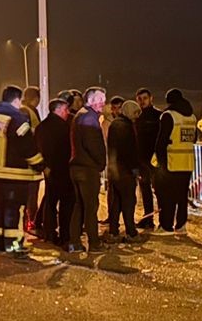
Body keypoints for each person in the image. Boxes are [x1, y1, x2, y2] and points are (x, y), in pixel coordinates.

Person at [0, 86, 44, 254]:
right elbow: (26, 145)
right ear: (16, 100)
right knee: (14, 210)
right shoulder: (17, 117)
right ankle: (13, 244)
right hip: (14, 174)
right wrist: (39, 164)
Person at [67, 87, 108, 253]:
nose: (103, 102)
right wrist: (101, 163)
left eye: (104, 99)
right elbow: (93, 144)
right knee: (91, 206)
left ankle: (74, 242)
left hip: (77, 167)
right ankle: (94, 243)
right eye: (99, 99)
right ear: (90, 100)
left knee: (80, 205)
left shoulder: (81, 115)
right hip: (87, 168)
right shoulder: (89, 118)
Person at [156, 88, 199, 231]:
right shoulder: (192, 117)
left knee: (167, 196)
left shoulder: (168, 116)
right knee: (182, 196)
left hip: (171, 162)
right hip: (187, 163)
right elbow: (194, 138)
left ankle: (166, 226)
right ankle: (181, 226)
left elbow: (161, 141)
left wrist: (160, 163)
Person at [36, 91, 74, 245]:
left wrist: (44, 167)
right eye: (65, 110)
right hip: (63, 170)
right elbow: (66, 149)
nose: (68, 113)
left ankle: (49, 233)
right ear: (57, 110)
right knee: (66, 203)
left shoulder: (41, 127)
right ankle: (65, 234)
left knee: (50, 201)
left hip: (49, 170)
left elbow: (37, 149)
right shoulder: (63, 128)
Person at [105, 98, 141, 241]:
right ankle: (131, 232)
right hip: (125, 171)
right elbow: (129, 151)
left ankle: (113, 231)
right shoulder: (126, 127)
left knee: (116, 203)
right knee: (128, 201)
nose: (137, 116)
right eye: (136, 113)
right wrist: (135, 169)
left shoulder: (115, 124)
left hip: (114, 170)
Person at [132, 88, 162, 228]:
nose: (142, 101)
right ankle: (148, 218)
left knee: (159, 191)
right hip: (142, 160)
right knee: (145, 191)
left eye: (145, 98)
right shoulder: (136, 117)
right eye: (140, 99)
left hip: (156, 160)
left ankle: (163, 220)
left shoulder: (159, 116)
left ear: (151, 98)